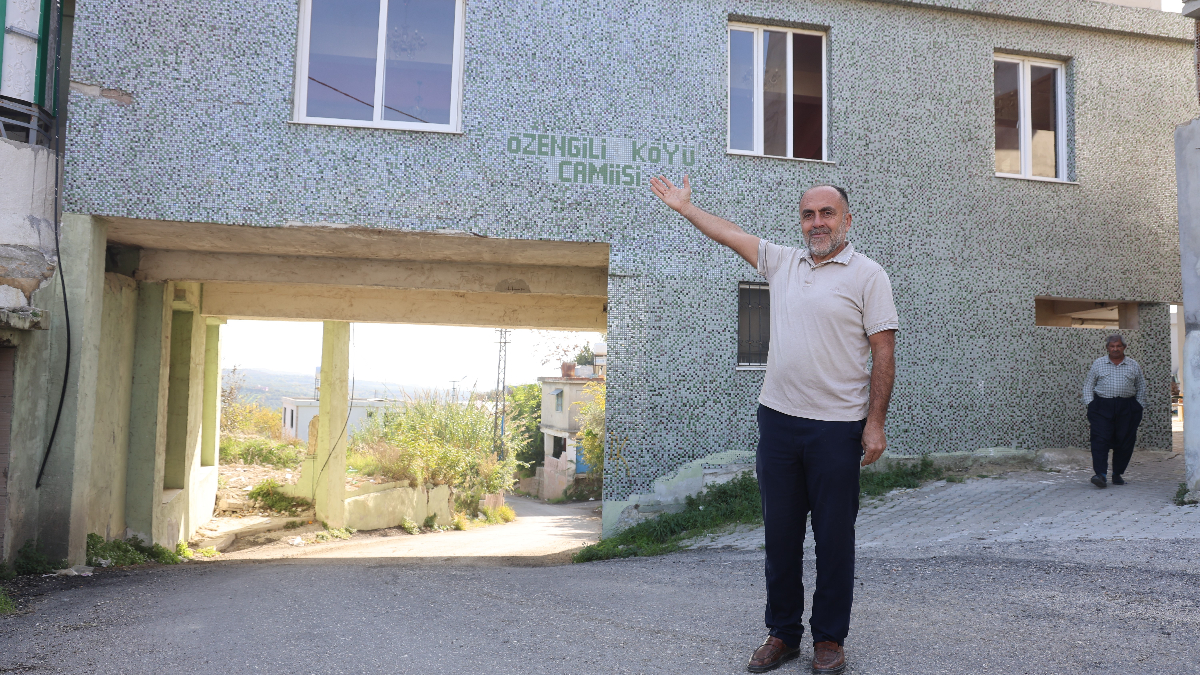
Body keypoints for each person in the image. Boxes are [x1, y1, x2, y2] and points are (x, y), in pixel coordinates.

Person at [648, 176, 898, 674]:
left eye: (827, 213)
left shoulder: (869, 276)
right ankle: (783, 634)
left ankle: (829, 640)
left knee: (833, 540)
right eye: (809, 215)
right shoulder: (783, 262)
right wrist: (685, 209)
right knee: (781, 538)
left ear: (847, 220)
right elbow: (729, 233)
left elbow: (884, 351)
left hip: (836, 429)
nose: (817, 222)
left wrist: (875, 424)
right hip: (780, 424)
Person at [1082, 335, 1146, 488]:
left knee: (1125, 441)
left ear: (1124, 347)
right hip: (1102, 406)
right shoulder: (1098, 364)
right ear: (1107, 348)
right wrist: (1091, 404)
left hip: (1127, 407)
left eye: (1118, 346)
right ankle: (1100, 475)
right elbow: (1088, 386)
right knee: (1099, 439)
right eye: (1112, 346)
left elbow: (1141, 387)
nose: (1115, 349)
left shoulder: (1133, 365)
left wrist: (1139, 405)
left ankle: (1117, 473)